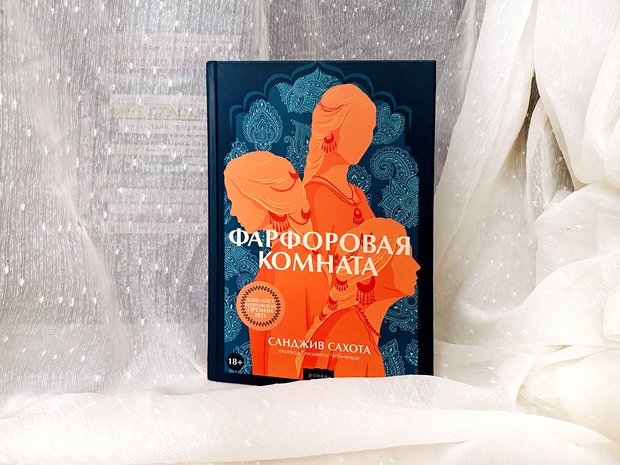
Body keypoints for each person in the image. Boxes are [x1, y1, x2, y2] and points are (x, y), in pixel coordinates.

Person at [224, 151, 329, 378]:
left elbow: (283, 367)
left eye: (235, 200)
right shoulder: (298, 254)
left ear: (265, 201)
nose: (233, 211)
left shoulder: (284, 262)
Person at [297, 217, 420, 378]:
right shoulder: (350, 331)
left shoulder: (354, 325)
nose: (416, 266)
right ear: (368, 273)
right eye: (405, 256)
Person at [303, 83, 377, 240]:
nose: (365, 138)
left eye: (370, 129)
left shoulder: (357, 194)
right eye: (357, 127)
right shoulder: (313, 195)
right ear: (330, 131)